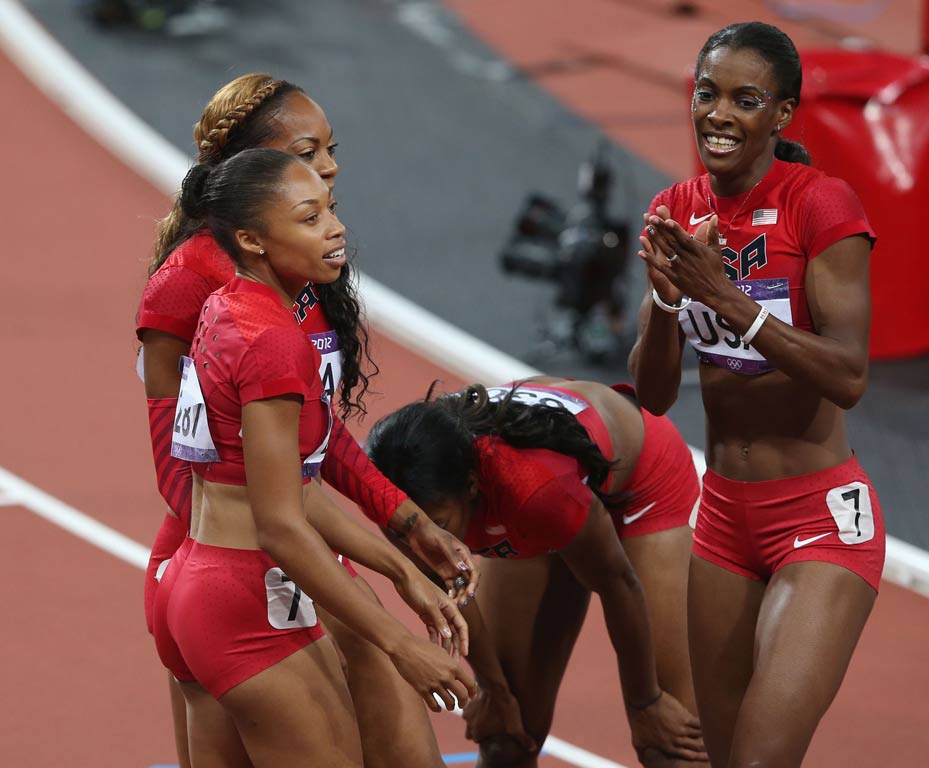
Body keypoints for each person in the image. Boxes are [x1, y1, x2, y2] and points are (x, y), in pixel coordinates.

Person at [136, 73, 476, 767]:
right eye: (306, 160)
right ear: (254, 194)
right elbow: (209, 469)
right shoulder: (209, 294)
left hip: (262, 560)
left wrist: (404, 531)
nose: (331, 180)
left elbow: (307, 446)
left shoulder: (270, 295)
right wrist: (387, 620)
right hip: (252, 570)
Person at [630, 21, 885, 767]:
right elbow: (651, 399)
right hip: (723, 522)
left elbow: (849, 375)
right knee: (716, 757)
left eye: (745, 100)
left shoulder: (822, 206)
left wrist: (729, 298)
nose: (719, 115)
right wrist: (669, 301)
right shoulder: (674, 208)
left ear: (782, 115)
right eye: (708, 94)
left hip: (819, 519)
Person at [366, 377, 708, 766]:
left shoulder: (533, 489)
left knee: (671, 748)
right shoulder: (389, 498)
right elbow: (452, 590)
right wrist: (494, 691)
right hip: (542, 501)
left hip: (638, 484)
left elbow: (619, 585)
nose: (424, 543)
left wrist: (645, 702)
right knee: (506, 738)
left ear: (472, 485)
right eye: (408, 529)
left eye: (439, 524)